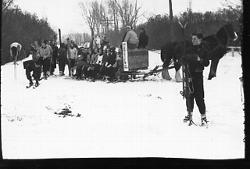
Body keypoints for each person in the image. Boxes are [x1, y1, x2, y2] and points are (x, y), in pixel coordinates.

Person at [182, 33, 210, 126]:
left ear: (200, 40)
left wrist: (199, 59)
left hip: (198, 76)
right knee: (189, 96)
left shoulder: (204, 50)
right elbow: (183, 58)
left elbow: (206, 63)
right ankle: (189, 115)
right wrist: (184, 59)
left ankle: (203, 117)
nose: (193, 40)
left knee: (199, 97)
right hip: (189, 76)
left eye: (195, 39)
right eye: (192, 39)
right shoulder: (189, 49)